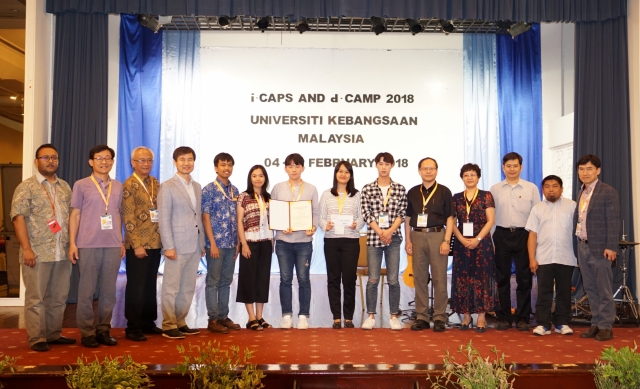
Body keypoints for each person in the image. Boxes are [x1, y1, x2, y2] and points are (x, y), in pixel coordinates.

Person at [10, 144, 75, 351]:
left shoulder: (65, 186)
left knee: (59, 297)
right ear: (36, 161)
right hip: (37, 253)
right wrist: (27, 249)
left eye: (54, 157)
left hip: (62, 252)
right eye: (45, 157)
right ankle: (37, 338)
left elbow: (72, 218)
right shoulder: (26, 186)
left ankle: (53, 334)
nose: (51, 161)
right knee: (35, 298)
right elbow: (18, 219)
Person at [69, 144, 125, 348]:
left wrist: (121, 240)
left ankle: (103, 329)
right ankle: (86, 332)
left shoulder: (117, 186)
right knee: (86, 290)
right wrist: (72, 243)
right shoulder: (81, 185)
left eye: (108, 158)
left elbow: (118, 214)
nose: (104, 162)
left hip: (111, 244)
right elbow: (75, 215)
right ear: (91, 162)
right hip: (88, 244)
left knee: (109, 291)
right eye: (100, 158)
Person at [157, 146, 206, 339]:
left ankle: (180, 321)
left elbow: (198, 217)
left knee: (188, 286)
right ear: (175, 162)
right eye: (182, 160)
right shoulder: (167, 186)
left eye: (190, 159)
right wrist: (168, 246)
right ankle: (168, 325)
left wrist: (201, 243)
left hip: (194, 245)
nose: (187, 163)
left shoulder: (196, 186)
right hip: (176, 245)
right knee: (171, 286)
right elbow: (163, 218)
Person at [490, 152, 541, 331]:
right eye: (508, 166)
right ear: (503, 167)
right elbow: (491, 217)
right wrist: (492, 241)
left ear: (521, 167)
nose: (512, 169)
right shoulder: (494, 189)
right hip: (501, 235)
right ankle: (503, 317)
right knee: (502, 278)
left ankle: (523, 317)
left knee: (524, 279)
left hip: (524, 236)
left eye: (515, 166)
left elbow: (537, 215)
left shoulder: (531, 188)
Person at [404, 157, 455, 332]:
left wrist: (447, 240)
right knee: (419, 277)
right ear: (419, 171)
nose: (428, 171)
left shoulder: (444, 191)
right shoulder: (412, 192)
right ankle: (422, 316)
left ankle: (440, 316)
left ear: (436, 170)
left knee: (440, 277)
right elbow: (408, 218)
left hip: (437, 235)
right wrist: (408, 240)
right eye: (424, 168)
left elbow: (450, 217)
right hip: (417, 236)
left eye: (431, 168)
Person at [574, 154, 620, 341]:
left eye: (589, 169)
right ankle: (596, 323)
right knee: (591, 289)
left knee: (604, 289)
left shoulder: (607, 191)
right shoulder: (581, 192)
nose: (585, 173)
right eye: (582, 169)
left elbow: (613, 221)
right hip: (583, 246)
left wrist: (611, 246)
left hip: (601, 249)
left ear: (598, 171)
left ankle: (606, 326)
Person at [271, 153, 319, 330]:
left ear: (303, 168)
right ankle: (286, 315)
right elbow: (274, 212)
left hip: (303, 241)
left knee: (304, 278)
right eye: (290, 166)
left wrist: (312, 227)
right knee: (285, 279)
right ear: (285, 169)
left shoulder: (311, 189)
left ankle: (303, 315)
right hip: (283, 241)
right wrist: (279, 225)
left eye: (297, 166)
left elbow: (315, 212)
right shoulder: (278, 188)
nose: (294, 169)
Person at [361, 152, 407, 330]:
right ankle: (371, 316)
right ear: (376, 165)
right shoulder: (367, 188)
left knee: (393, 279)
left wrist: (389, 232)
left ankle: (394, 315)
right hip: (374, 239)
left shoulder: (400, 189)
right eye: (380, 163)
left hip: (393, 239)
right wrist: (381, 231)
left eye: (387, 164)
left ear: (392, 166)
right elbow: (366, 214)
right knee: (373, 279)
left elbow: (401, 214)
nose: (383, 167)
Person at [526, 175, 577, 336]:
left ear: (561, 189)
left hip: (567, 256)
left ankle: (562, 322)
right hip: (544, 257)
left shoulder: (572, 206)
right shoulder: (537, 209)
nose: (551, 189)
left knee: (564, 291)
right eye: (547, 186)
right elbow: (532, 235)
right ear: (543, 190)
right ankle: (543, 324)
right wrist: (532, 258)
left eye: (555, 186)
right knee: (544, 291)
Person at [450, 163, 498, 333]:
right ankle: (466, 316)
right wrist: (461, 239)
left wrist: (477, 239)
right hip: (462, 244)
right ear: (462, 177)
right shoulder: (456, 198)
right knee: (463, 278)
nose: (469, 177)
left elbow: (490, 220)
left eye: (473, 174)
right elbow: (451, 222)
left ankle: (481, 316)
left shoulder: (486, 196)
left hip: (482, 243)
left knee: (482, 278)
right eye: (466, 175)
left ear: (478, 177)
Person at [122, 146, 162, 342]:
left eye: (149, 160)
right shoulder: (129, 185)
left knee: (149, 285)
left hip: (155, 242)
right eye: (141, 160)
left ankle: (147, 321)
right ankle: (133, 326)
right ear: (133, 163)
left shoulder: (155, 183)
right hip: (138, 244)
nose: (146, 164)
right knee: (136, 286)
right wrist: (136, 244)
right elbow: (128, 217)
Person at [319, 161, 365, 329]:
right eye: (340, 171)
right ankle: (336, 316)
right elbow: (320, 217)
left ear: (351, 175)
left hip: (351, 241)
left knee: (349, 279)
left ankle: (349, 317)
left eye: (346, 172)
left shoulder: (357, 195)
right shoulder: (326, 194)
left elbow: (362, 216)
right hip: (331, 240)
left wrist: (357, 224)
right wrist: (325, 226)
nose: (343, 174)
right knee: (333, 279)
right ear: (335, 174)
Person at [202, 153, 241, 334]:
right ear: (216, 167)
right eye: (223, 164)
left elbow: (238, 219)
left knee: (226, 281)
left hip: (232, 243)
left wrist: (239, 243)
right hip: (215, 244)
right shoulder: (209, 189)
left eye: (229, 165)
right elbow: (206, 217)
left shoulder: (236, 191)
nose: (226, 168)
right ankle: (213, 319)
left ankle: (224, 316)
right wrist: (212, 243)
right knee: (213, 281)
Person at [237, 165, 274, 331]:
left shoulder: (268, 197)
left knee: (262, 280)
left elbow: (273, 221)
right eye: (254, 175)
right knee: (248, 279)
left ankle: (260, 317)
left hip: (266, 242)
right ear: (250, 178)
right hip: (250, 243)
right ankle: (250, 317)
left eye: (261, 175)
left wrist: (272, 242)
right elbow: (239, 221)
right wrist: (243, 243)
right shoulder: (244, 197)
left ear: (265, 178)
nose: (258, 178)